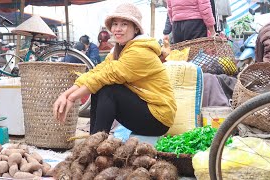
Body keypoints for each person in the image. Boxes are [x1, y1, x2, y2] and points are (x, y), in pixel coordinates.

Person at [53, 3, 177, 136]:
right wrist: (66, 94)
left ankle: (96, 145)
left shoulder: (140, 52)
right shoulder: (120, 50)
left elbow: (107, 76)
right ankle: (93, 140)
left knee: (108, 89)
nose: (117, 29)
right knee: (99, 87)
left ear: (136, 29)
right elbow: (97, 72)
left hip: (158, 118)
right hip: (145, 108)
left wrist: (71, 98)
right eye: (115, 24)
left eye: (124, 24)